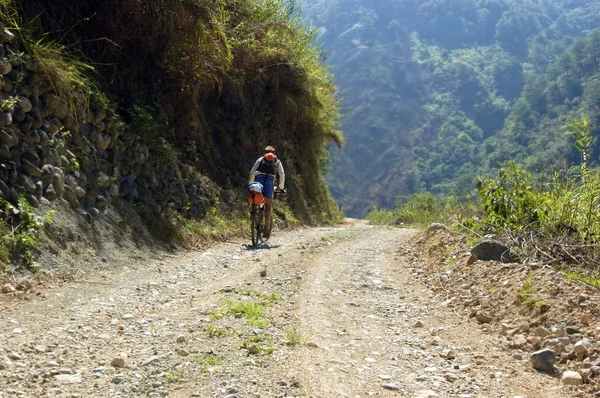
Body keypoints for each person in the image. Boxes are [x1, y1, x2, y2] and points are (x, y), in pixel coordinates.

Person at [248, 146, 285, 236]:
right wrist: (281, 187)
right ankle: (266, 227)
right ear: (274, 152)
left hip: (259, 180)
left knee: (255, 196)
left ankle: (253, 213)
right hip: (269, 182)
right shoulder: (277, 161)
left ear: (265, 152)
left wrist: (251, 184)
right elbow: (282, 174)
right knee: (268, 205)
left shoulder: (260, 159)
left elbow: (252, 172)